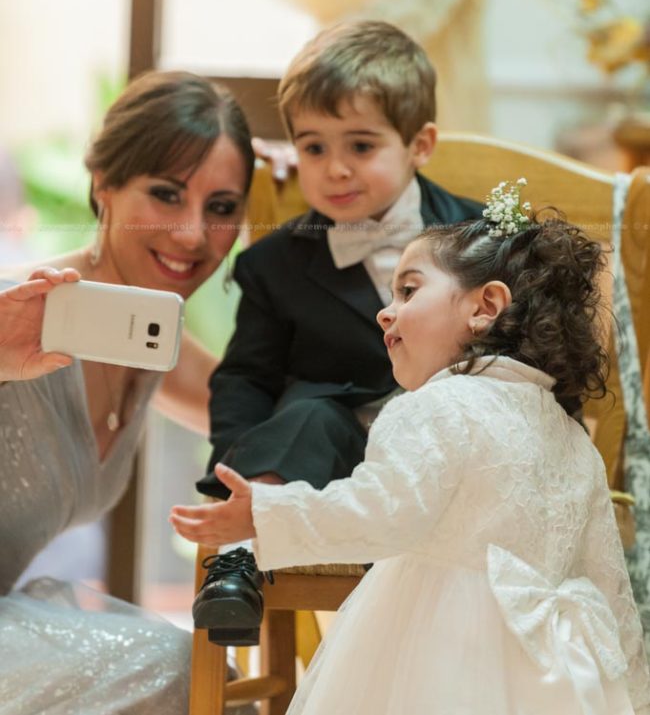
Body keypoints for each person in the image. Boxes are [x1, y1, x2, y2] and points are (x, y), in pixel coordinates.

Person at [171, 181, 650, 715]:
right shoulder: (571, 435)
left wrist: (267, 513)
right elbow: (608, 583)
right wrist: (631, 690)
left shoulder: (432, 407)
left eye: (408, 291)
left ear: (485, 306)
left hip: (440, 642)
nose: (385, 311)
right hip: (558, 670)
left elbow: (380, 514)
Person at [193, 19, 482, 644]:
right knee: (309, 411)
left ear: (420, 144)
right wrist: (237, 467)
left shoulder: (481, 237)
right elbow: (246, 376)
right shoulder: (276, 263)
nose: (335, 171)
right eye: (314, 148)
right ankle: (239, 558)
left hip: (452, 457)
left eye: (360, 146)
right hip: (336, 460)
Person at [0, 70, 256, 715]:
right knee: (182, 675)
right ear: (103, 187)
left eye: (221, 207)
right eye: (167, 195)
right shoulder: (22, 311)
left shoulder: (149, 338)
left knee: (218, 685)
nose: (195, 235)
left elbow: (261, 416)